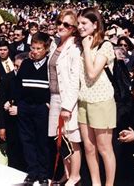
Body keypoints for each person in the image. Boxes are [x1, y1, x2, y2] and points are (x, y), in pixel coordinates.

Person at [77, 7, 117, 186]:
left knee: (104, 148)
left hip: (102, 101)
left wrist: (86, 48)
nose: (80, 27)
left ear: (95, 24)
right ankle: (96, 183)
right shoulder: (79, 44)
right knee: (89, 147)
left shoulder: (105, 45)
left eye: (84, 23)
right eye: (78, 23)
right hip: (83, 100)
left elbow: (92, 73)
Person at [47, 9, 83, 186]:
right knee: (59, 139)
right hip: (54, 97)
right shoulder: (55, 44)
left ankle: (75, 175)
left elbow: (75, 79)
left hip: (68, 99)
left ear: (74, 28)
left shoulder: (75, 47)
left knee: (72, 138)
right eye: (59, 22)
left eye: (66, 24)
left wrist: (67, 106)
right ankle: (66, 173)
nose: (61, 26)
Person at [17, 32, 52, 186]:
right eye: (33, 48)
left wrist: (48, 103)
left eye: (39, 48)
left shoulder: (50, 66)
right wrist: (19, 103)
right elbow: (18, 84)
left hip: (41, 108)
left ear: (46, 49)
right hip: (26, 107)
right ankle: (32, 172)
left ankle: (43, 174)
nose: (35, 51)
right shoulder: (25, 64)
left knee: (42, 141)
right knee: (27, 140)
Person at [0, 52, 28, 171]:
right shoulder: (6, 79)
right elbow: (0, 104)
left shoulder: (30, 78)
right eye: (14, 66)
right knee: (13, 157)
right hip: (11, 125)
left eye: (19, 67)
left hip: (27, 125)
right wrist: (1, 127)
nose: (15, 69)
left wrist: (20, 109)